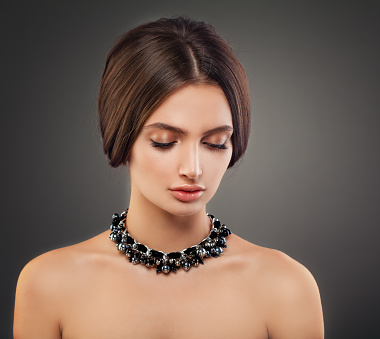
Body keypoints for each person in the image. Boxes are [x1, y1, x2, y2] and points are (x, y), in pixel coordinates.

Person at [13, 17, 324, 338]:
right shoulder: (48, 284)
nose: (193, 168)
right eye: (164, 141)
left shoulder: (285, 288)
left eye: (215, 143)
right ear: (123, 135)